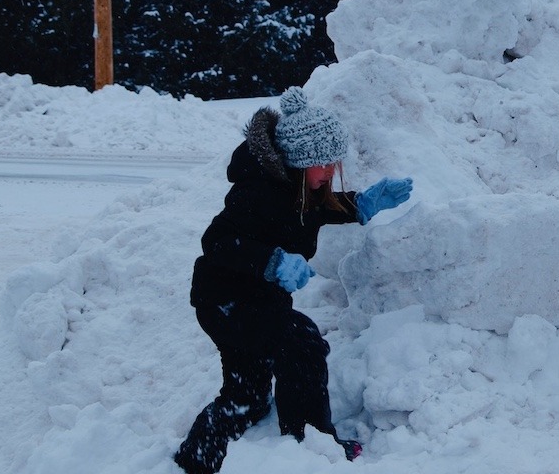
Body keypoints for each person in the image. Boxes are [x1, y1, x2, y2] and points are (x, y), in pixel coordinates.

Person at [174, 86, 413, 474]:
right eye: (324, 165)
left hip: (256, 302)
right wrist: (270, 260)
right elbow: (215, 241)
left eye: (334, 163)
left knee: (247, 395)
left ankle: (196, 457)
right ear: (301, 162)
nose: (331, 172)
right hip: (225, 301)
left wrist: (365, 203)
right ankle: (310, 439)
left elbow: (319, 210)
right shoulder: (256, 193)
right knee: (301, 343)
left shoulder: (302, 189)